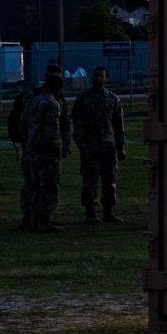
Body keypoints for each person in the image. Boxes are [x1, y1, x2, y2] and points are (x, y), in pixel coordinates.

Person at [18, 65, 73, 233]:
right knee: (48, 185)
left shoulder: (32, 99)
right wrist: (58, 148)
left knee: (33, 183)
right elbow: (52, 131)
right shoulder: (52, 104)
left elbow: (23, 124)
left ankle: (31, 219)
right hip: (46, 150)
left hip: (32, 148)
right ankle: (43, 221)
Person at [71, 66, 127, 225]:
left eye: (101, 76)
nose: (98, 78)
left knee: (109, 181)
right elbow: (78, 125)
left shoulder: (113, 99)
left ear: (106, 79)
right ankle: (90, 213)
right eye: (95, 75)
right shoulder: (83, 99)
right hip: (91, 148)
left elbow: (118, 126)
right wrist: (82, 147)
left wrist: (121, 147)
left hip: (109, 148)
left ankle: (108, 212)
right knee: (90, 181)